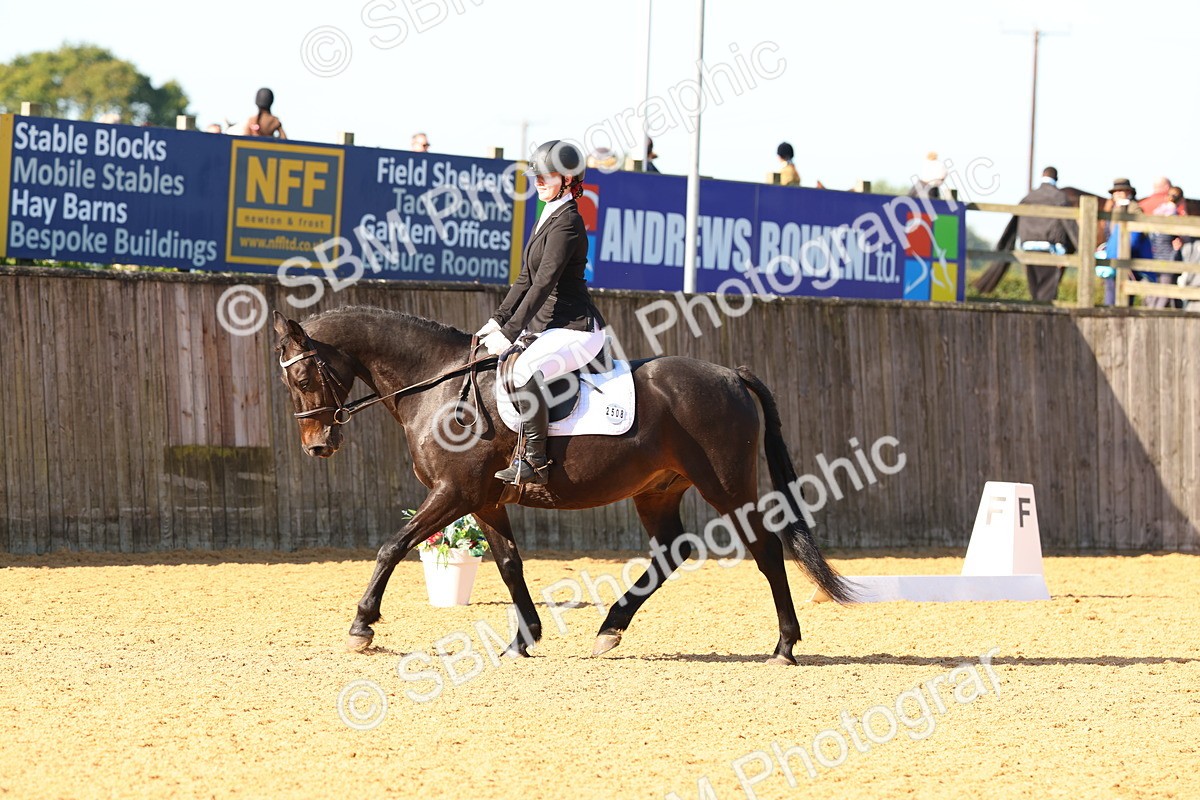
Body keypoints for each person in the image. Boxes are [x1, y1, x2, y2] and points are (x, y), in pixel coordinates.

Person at [476, 140, 608, 486]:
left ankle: (535, 461)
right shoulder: (548, 215)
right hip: (552, 326)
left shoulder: (568, 222)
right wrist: (497, 321)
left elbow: (544, 284)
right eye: (536, 176)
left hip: (577, 329)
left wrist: (510, 333)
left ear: (568, 179)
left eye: (546, 175)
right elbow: (525, 278)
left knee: (524, 371)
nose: (538, 181)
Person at [1015, 166, 1079, 302]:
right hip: (1049, 248)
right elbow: (1070, 226)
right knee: (1048, 292)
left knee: (1034, 290)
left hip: (1028, 247)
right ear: (1056, 178)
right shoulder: (1060, 197)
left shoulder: (1028, 197)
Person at [1102, 178, 1154, 306]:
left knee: (1123, 294)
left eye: (1121, 191)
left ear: (1129, 192)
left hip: (1129, 256)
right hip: (1114, 255)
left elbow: (1139, 231)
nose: (1117, 194)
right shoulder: (1113, 208)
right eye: (1115, 192)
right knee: (1111, 291)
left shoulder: (1133, 208)